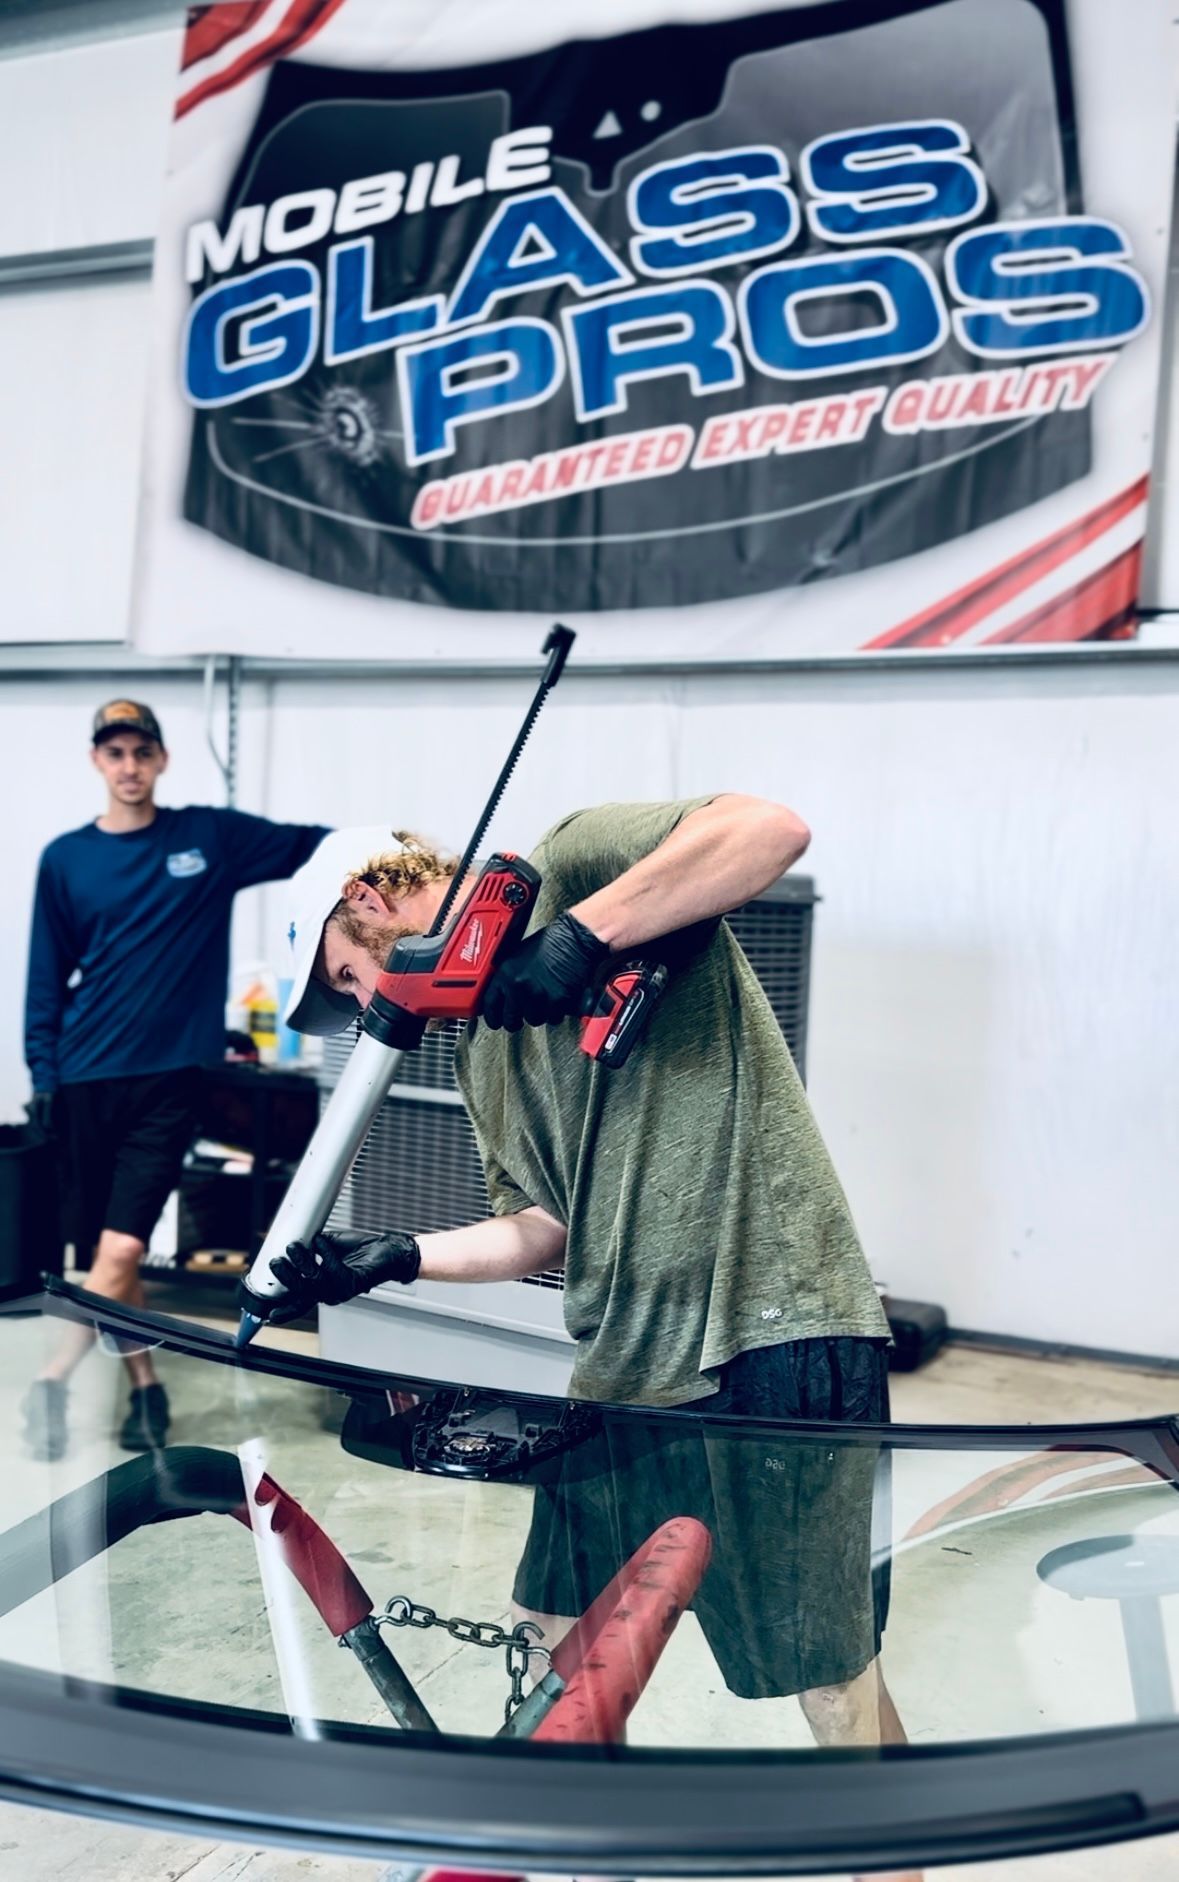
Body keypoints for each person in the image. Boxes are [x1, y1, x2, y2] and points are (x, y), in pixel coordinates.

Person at [257, 797, 918, 1882]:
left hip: (776, 1327)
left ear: (369, 903)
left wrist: (580, 937)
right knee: (546, 1628)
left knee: (830, 1684)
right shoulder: (479, 1051)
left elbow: (772, 830)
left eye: (347, 976)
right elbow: (542, 1223)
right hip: (623, 1362)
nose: (369, 1008)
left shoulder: (570, 859)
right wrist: (397, 1256)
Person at [22, 699, 331, 1460]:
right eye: (115, 753)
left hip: (170, 1080)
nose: (129, 766)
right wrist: (43, 1073)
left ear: (161, 760)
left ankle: (53, 1377)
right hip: (86, 1076)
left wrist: (385, 865)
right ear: (99, 762)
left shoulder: (207, 838)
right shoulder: (65, 858)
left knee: (121, 1254)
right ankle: (148, 1393)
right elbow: (44, 976)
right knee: (99, 1256)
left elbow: (313, 848)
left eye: (141, 752)